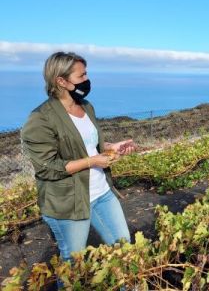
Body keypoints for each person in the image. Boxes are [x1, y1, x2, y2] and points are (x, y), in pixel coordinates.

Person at [21, 51, 136, 267]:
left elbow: (88, 146)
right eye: (81, 76)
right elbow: (47, 167)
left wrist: (111, 148)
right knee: (73, 264)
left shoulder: (86, 106)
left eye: (86, 74)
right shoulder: (41, 119)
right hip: (68, 202)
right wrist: (93, 161)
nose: (86, 80)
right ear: (61, 81)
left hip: (102, 192)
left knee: (124, 249)